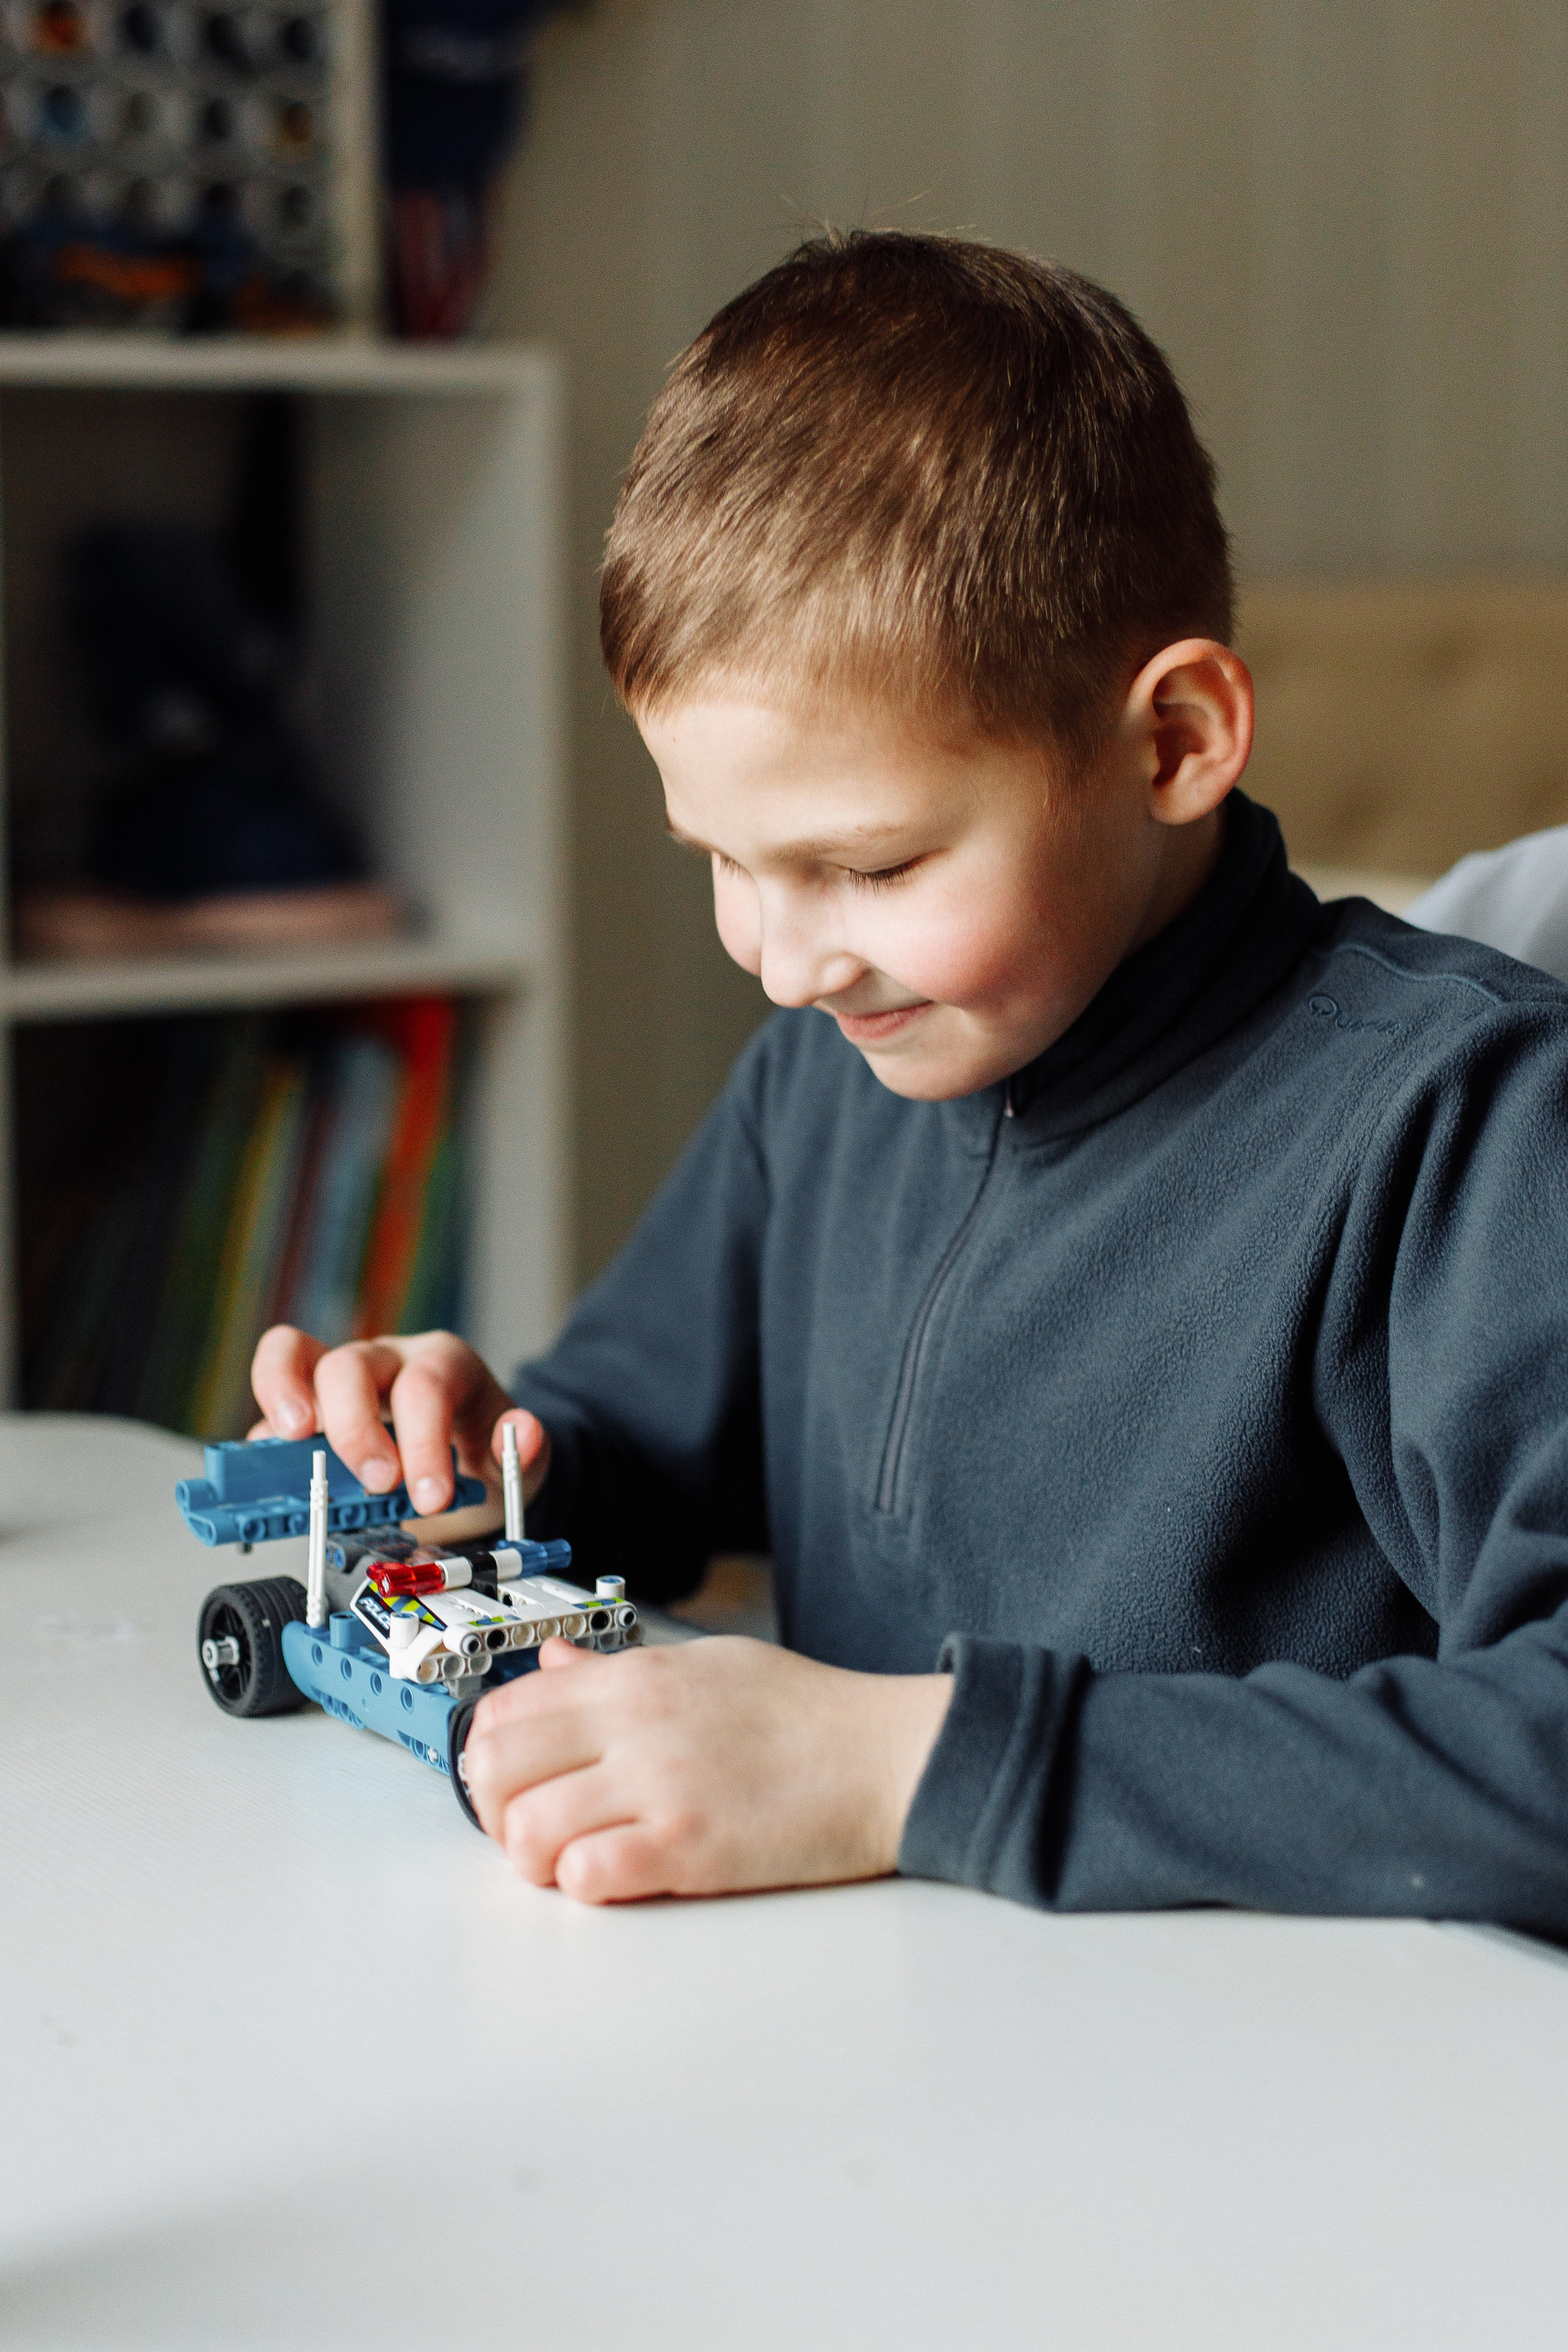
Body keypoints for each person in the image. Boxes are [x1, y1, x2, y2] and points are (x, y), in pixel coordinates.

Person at [251, 232, 1568, 1923]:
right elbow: (639, 1446)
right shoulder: (828, 1083)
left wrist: (906, 1768)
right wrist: (484, 1455)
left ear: (1171, 744)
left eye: (868, 869)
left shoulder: (1458, 1124)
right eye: (723, 858)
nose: (786, 961)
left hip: (1259, 2122)